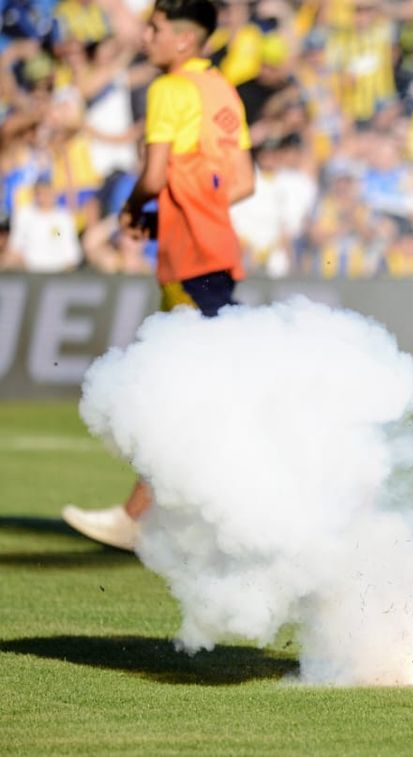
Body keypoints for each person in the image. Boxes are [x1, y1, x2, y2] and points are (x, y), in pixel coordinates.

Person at [62, 0, 254, 552]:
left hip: (189, 257)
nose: (146, 35)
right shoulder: (223, 92)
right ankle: (185, 518)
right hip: (215, 249)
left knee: (181, 392)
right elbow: (240, 182)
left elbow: (153, 172)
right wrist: (192, 206)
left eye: (156, 27)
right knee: (200, 387)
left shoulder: (170, 90)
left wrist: (138, 207)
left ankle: (137, 518)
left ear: (184, 40)